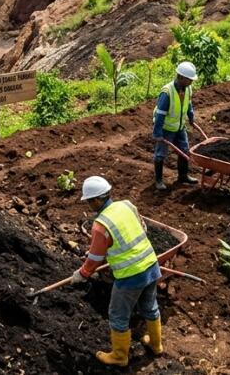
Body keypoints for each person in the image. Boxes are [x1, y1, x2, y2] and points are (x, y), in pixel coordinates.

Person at [72, 176, 162, 366]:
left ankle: (120, 357)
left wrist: (82, 274)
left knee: (118, 315)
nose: (89, 205)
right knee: (150, 306)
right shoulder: (127, 205)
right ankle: (156, 345)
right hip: (151, 265)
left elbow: (94, 260)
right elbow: (142, 229)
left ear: (96, 200)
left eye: (89, 201)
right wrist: (107, 249)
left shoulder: (101, 225)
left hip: (130, 276)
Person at [152, 62, 200, 190]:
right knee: (160, 154)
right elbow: (160, 114)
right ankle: (158, 181)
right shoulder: (167, 92)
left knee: (184, 150)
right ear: (181, 77)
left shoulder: (188, 88)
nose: (191, 82)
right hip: (166, 128)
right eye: (189, 79)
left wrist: (191, 117)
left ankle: (183, 176)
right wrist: (157, 133)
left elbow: (188, 104)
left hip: (180, 127)